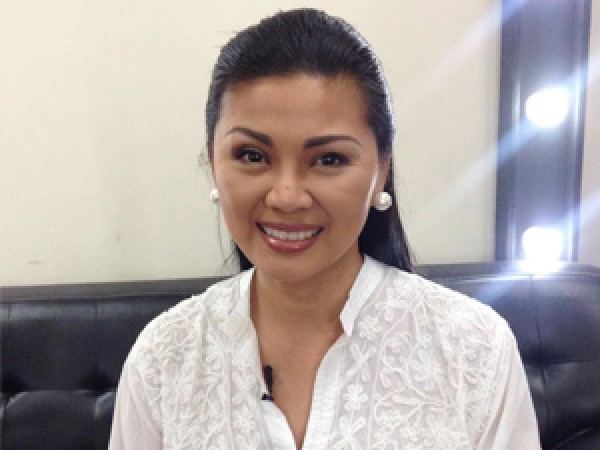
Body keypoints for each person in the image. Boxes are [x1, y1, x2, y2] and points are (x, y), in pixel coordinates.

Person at [109, 8, 541, 450]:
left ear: (381, 169)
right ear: (213, 162)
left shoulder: (475, 350)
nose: (287, 196)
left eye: (329, 159)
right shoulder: (164, 358)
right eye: (252, 155)